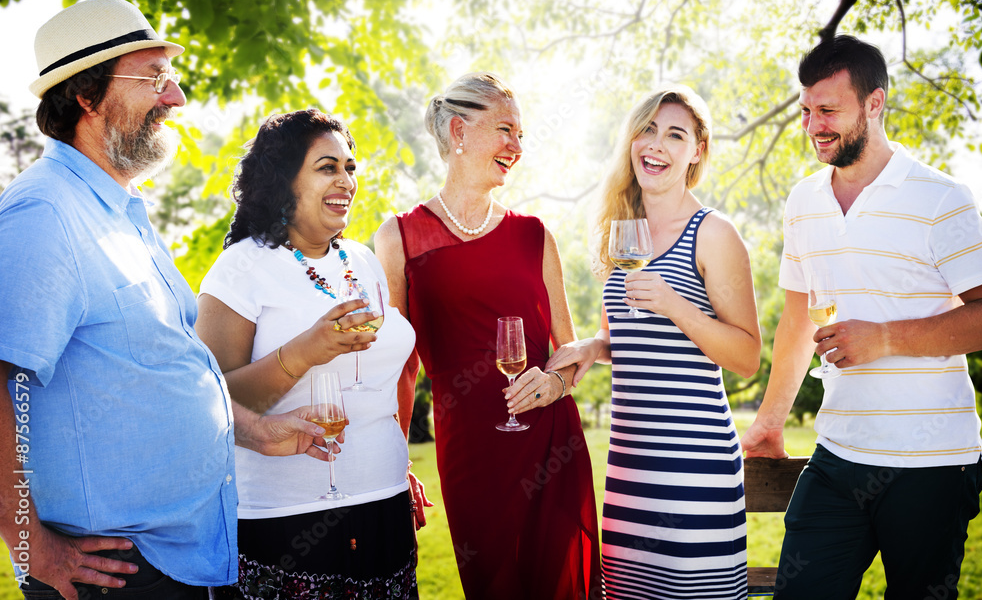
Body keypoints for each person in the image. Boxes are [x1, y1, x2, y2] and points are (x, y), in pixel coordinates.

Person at [0, 0, 335, 599]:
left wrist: (254, 431)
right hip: (118, 573)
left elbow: (157, 368)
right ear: (86, 94)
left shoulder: (121, 208)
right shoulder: (44, 214)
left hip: (181, 560)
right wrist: (31, 546)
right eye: (153, 78)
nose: (175, 96)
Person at [740, 34, 982, 599]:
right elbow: (795, 322)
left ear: (874, 103)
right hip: (838, 457)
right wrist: (769, 422)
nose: (813, 125)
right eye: (807, 111)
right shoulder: (803, 200)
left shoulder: (940, 197)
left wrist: (884, 338)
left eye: (828, 111)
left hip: (934, 464)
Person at [374, 72, 602, 599]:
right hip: (469, 452)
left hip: (550, 444)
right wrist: (395, 461)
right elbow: (396, 367)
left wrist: (557, 383)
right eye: (506, 130)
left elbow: (567, 350)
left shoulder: (534, 235)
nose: (517, 147)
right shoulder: (399, 238)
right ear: (459, 131)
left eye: (520, 135)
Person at [195, 109, 426, 598]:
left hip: (385, 501)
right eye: (327, 167)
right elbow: (208, 400)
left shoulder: (362, 260)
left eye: (350, 167)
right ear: (284, 180)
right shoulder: (240, 267)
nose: (346, 180)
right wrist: (304, 352)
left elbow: (378, 384)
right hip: (287, 519)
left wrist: (398, 469)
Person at [547, 85, 762, 599]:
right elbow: (622, 332)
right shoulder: (623, 232)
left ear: (697, 151)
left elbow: (748, 356)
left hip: (695, 468)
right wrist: (592, 348)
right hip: (630, 464)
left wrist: (676, 305)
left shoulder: (713, 233)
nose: (656, 144)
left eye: (675, 134)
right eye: (647, 129)